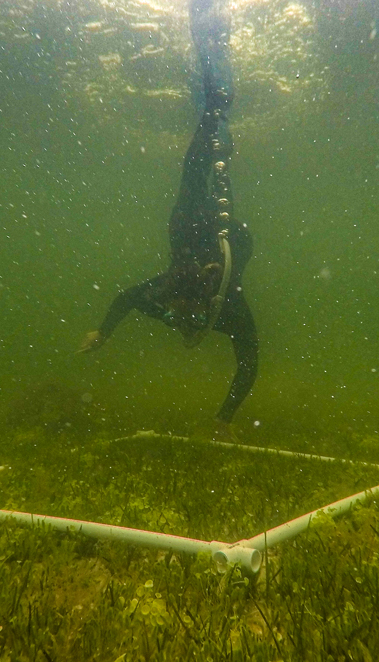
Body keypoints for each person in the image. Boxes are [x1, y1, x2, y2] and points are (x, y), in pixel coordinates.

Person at [79, 0, 257, 433]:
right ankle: (214, 106)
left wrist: (103, 333)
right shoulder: (208, 302)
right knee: (205, 168)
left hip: (194, 225)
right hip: (214, 229)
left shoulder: (216, 306)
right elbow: (248, 363)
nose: (181, 322)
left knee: (198, 167)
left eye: (183, 316)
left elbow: (126, 298)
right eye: (184, 317)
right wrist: (102, 333)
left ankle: (213, 108)